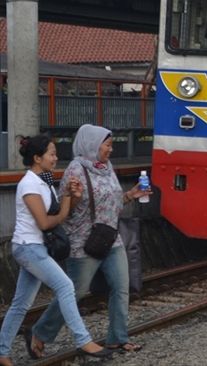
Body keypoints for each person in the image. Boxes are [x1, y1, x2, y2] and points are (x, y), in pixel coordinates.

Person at [31, 125, 145, 357]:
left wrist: (130, 196)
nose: (111, 150)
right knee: (75, 291)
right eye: (107, 145)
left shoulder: (106, 168)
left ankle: (117, 339)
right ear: (92, 145)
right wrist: (74, 197)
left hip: (111, 239)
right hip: (84, 242)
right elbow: (66, 210)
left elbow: (110, 205)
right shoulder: (76, 170)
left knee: (121, 288)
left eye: (111, 145)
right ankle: (40, 332)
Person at [0, 135, 110, 365]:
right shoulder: (29, 184)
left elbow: (61, 211)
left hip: (35, 247)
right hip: (28, 247)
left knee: (21, 304)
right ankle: (83, 340)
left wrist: (70, 195)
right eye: (51, 154)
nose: (55, 158)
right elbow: (46, 222)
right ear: (37, 158)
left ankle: (2, 353)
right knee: (66, 286)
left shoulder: (44, 180)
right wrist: (64, 207)